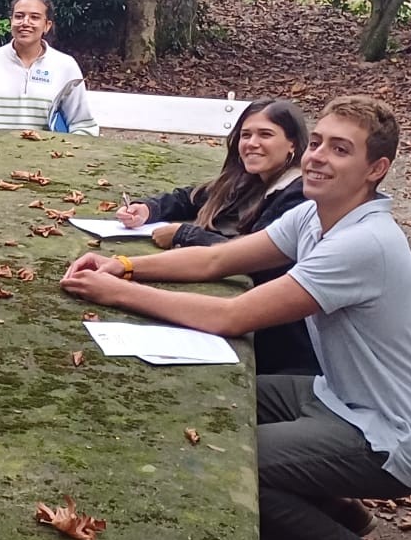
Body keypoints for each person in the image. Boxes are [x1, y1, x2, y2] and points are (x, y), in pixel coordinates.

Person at [60, 96, 411, 540]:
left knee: (231, 463)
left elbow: (232, 315)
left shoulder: (364, 243)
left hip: (386, 432)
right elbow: (221, 259)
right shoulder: (315, 214)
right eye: (317, 144)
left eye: (341, 150)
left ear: (375, 170)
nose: (318, 158)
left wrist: (118, 294)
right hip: (334, 394)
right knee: (211, 399)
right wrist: (124, 262)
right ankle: (331, 508)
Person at [114, 98, 318, 375]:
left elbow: (250, 257)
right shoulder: (245, 180)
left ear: (293, 143)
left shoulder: (297, 196)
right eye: (246, 135)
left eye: (265, 134)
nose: (252, 143)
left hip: (281, 349)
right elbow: (191, 197)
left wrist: (184, 234)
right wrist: (148, 209)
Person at [0, 0, 99, 133]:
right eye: (19, 16)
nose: (25, 22)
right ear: (11, 22)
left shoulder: (65, 66)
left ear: (47, 26)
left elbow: (82, 125)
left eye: (34, 17)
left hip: (45, 158)